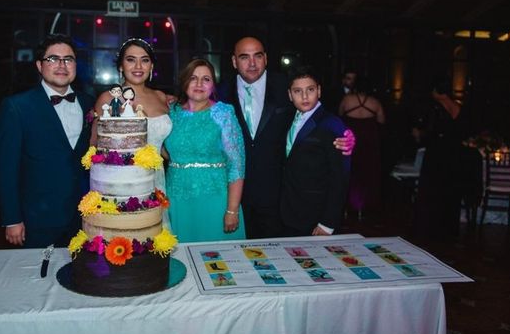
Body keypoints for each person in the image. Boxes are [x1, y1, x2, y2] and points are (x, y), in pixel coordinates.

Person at [219, 36, 355, 239]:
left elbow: (319, 118)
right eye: (244, 57)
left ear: (266, 58)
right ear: (233, 61)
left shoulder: (287, 85)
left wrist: (347, 136)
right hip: (234, 194)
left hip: (280, 197)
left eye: (257, 56)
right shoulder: (221, 91)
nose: (252, 63)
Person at [0, 34, 95, 248]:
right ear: (40, 65)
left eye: (68, 59)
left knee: (82, 277)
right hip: (37, 219)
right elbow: (5, 168)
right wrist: (12, 218)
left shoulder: (90, 104)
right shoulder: (17, 107)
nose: (62, 65)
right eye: (53, 59)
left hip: (84, 217)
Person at [164, 59, 245, 242]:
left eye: (206, 79)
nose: (199, 84)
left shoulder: (223, 113)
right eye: (193, 78)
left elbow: (237, 165)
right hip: (177, 197)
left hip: (215, 199)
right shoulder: (171, 112)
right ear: (184, 81)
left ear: (213, 85)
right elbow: (161, 147)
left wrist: (232, 209)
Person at [91, 38, 172, 190]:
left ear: (151, 66)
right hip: (120, 182)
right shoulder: (108, 99)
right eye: (131, 60)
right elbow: (94, 146)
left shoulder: (161, 97)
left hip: (157, 179)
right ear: (121, 66)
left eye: (145, 60)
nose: (138, 66)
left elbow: (164, 146)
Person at [280, 67, 350, 236]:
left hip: (316, 213)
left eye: (310, 90)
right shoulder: (287, 118)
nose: (304, 97)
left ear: (318, 91)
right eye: (298, 91)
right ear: (290, 95)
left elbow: (339, 177)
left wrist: (328, 223)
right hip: (290, 210)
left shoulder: (331, 124)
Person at [413, 78, 469, 239]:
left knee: (432, 190)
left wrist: (418, 133)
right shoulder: (458, 106)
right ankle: (448, 228)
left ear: (437, 91)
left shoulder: (435, 108)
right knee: (449, 190)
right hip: (454, 154)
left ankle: (430, 228)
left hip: (438, 154)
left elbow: (430, 132)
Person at [339, 76, 385, 219]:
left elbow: (339, 115)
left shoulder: (347, 100)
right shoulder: (375, 102)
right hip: (368, 143)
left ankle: (346, 207)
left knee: (349, 173)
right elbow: (382, 121)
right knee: (367, 175)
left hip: (350, 141)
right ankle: (364, 207)